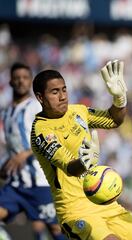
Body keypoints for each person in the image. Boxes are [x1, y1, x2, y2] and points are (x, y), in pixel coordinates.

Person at [30, 60, 132, 240]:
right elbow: (70, 168)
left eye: (64, 90)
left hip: (104, 201)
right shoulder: (41, 131)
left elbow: (113, 120)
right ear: (40, 97)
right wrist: (85, 161)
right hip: (75, 209)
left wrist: (120, 99)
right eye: (55, 92)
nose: (62, 96)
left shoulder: (78, 111)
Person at [0, 63, 65, 240]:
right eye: (17, 78)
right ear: (11, 82)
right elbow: (13, 146)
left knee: (56, 230)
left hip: (40, 182)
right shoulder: (6, 112)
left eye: (25, 77)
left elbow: (53, 138)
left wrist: (26, 154)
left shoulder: (36, 108)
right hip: (16, 183)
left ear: (30, 81)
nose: (21, 81)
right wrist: (6, 163)